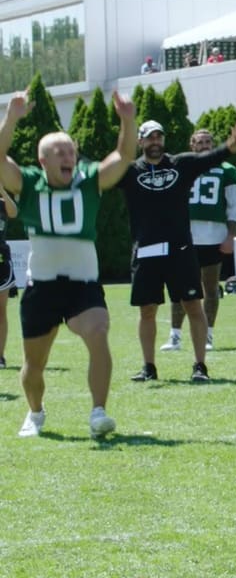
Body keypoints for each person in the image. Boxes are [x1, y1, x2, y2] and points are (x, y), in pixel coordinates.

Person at [1, 90, 136, 438]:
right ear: (42, 160)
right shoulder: (29, 182)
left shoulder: (88, 180)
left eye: (71, 151)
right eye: (58, 152)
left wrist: (127, 119)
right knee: (34, 366)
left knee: (98, 331)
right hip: (43, 286)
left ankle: (98, 412)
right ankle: (35, 413)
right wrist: (11, 118)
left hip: (82, 284)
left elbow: (123, 156)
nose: (68, 157)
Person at [122, 118, 236, 383]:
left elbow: (214, 156)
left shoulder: (181, 164)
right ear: (140, 141)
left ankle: (200, 366)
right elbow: (100, 175)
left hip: (180, 249)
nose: (155, 142)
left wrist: (234, 142)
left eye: (159, 137)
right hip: (146, 251)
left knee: (193, 304)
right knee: (147, 310)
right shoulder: (130, 171)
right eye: (149, 137)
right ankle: (149, 367)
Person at [166, 129, 236, 354]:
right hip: (184, 235)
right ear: (192, 145)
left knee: (209, 287)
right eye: (200, 142)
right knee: (180, 287)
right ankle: (175, 335)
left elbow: (234, 206)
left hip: (213, 235)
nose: (205, 145)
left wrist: (230, 236)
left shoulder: (227, 170)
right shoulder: (182, 167)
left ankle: (208, 334)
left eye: (209, 141)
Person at [0, 182, 15, 368]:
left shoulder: (3, 203)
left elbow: (14, 212)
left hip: (1, 262)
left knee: (1, 311)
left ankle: (0, 356)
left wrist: (3, 190)